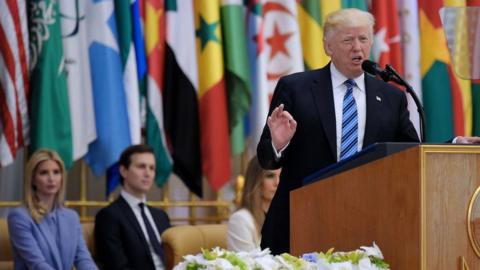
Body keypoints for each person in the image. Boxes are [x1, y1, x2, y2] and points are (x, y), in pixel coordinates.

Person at [256, 8, 421, 255]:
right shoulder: (296, 88)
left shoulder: (391, 96)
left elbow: (410, 154)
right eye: (348, 40)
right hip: (302, 222)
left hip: (369, 226)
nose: (357, 48)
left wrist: (453, 143)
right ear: (328, 47)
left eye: (363, 39)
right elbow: (266, 159)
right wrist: (278, 144)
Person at [7, 149, 98, 270]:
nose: (51, 178)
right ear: (33, 179)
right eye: (44, 173)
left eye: (56, 172)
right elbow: (37, 264)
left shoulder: (71, 217)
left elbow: (83, 259)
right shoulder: (19, 217)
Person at [95, 144, 171, 270]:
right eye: (141, 166)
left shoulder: (161, 216)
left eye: (152, 168)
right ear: (123, 171)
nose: (148, 173)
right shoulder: (109, 216)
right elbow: (116, 266)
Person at [227, 156, 281, 252]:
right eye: (270, 176)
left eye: (282, 176)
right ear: (256, 181)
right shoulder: (241, 220)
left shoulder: (286, 216)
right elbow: (248, 265)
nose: (277, 182)